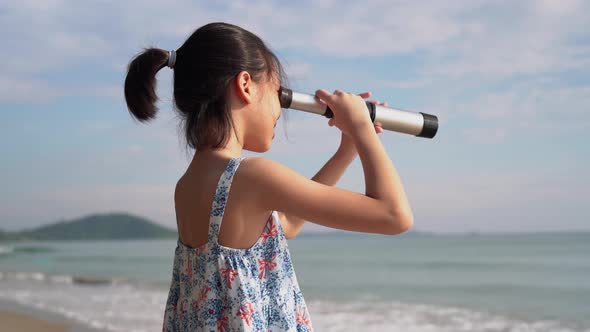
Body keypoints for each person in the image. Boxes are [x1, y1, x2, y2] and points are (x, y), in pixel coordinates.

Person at [124, 22, 413, 332]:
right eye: (279, 94)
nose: (280, 109)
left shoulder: (189, 184)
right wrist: (362, 129)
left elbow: (284, 224)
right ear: (246, 85)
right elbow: (394, 216)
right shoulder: (253, 175)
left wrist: (347, 151)